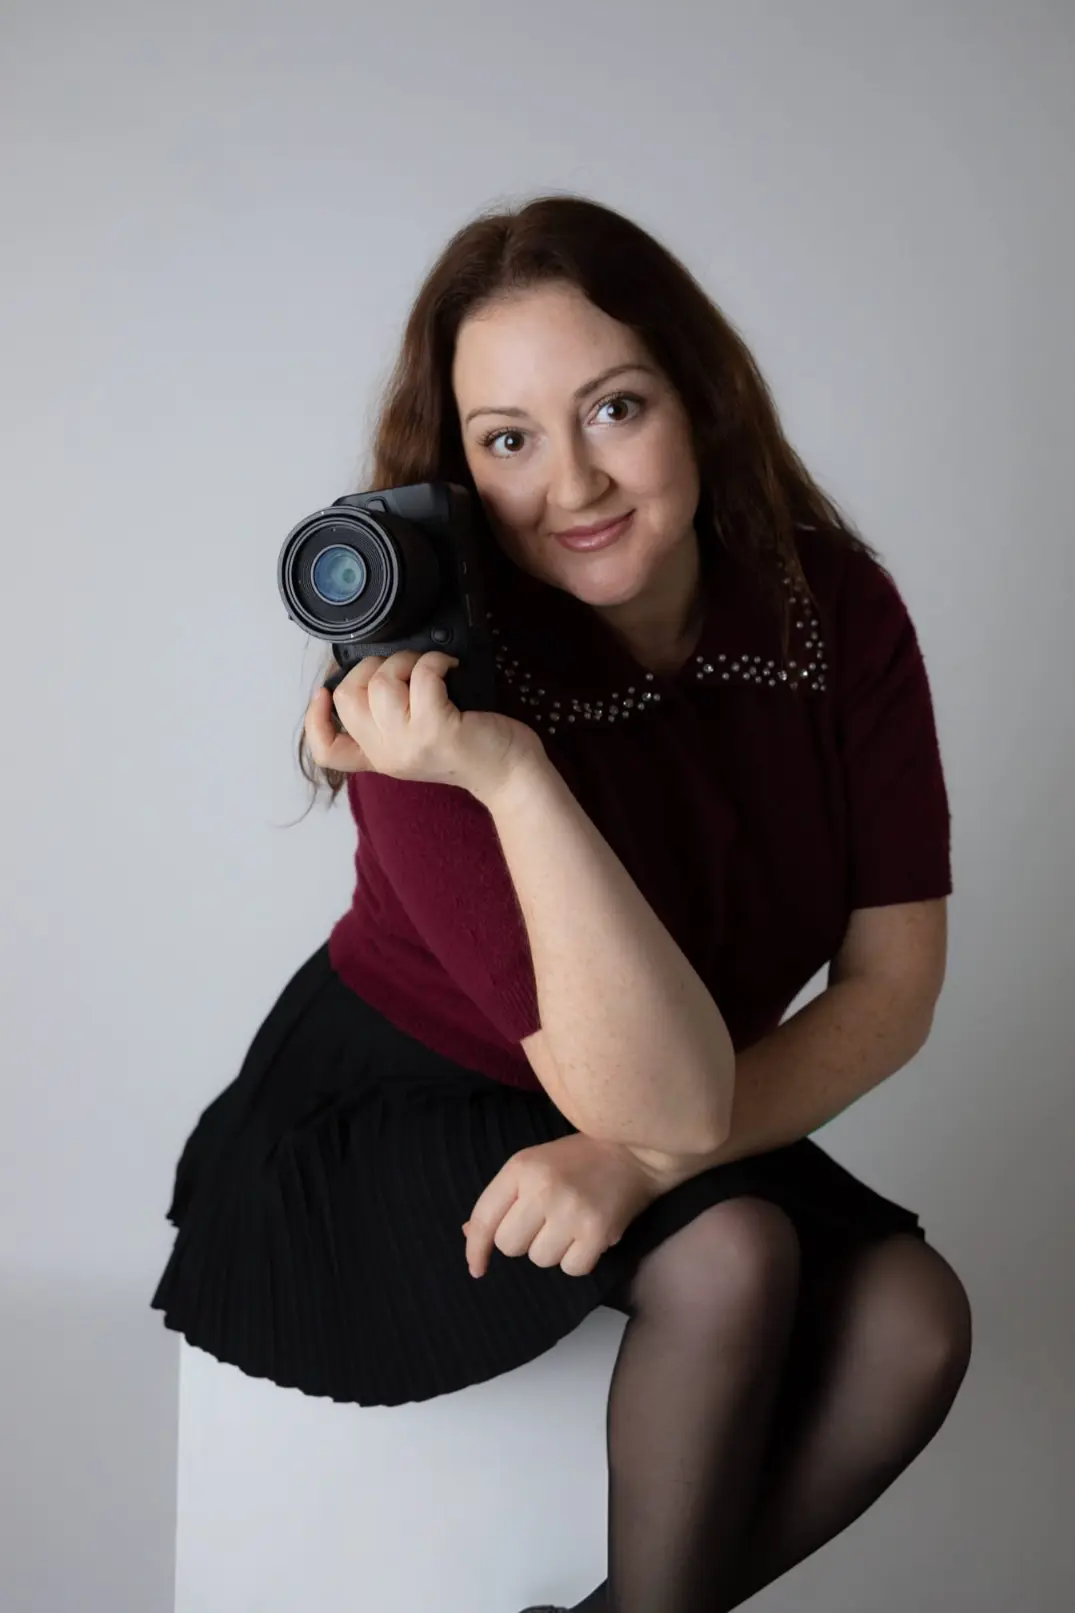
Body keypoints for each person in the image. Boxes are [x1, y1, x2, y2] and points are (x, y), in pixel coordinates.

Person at [152, 195, 973, 1613]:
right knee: (732, 1256)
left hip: (669, 1088)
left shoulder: (829, 610)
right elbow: (650, 1096)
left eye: (614, 409)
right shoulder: (418, 684)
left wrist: (635, 1166)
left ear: (699, 399)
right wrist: (510, 774)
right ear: (461, 469)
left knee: (913, 1324)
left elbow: (892, 990)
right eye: (508, 439)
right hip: (404, 1108)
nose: (575, 484)